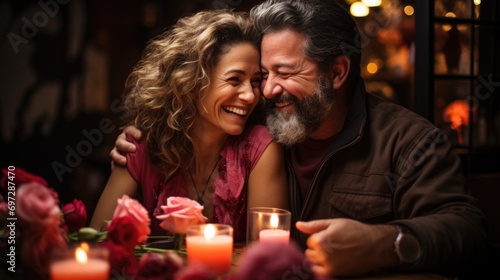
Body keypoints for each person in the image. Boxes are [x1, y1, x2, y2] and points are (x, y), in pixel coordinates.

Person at [110, 0, 489, 278]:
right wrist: (145, 136)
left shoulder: (408, 141)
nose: (267, 90)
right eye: (263, 75)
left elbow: (468, 229)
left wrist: (383, 244)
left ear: (337, 71)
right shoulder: (254, 119)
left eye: (284, 72)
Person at [91, 9, 288, 242]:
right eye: (234, 80)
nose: (250, 95)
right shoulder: (142, 145)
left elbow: (267, 261)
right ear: (193, 83)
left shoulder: (260, 147)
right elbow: (95, 243)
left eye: (255, 82)